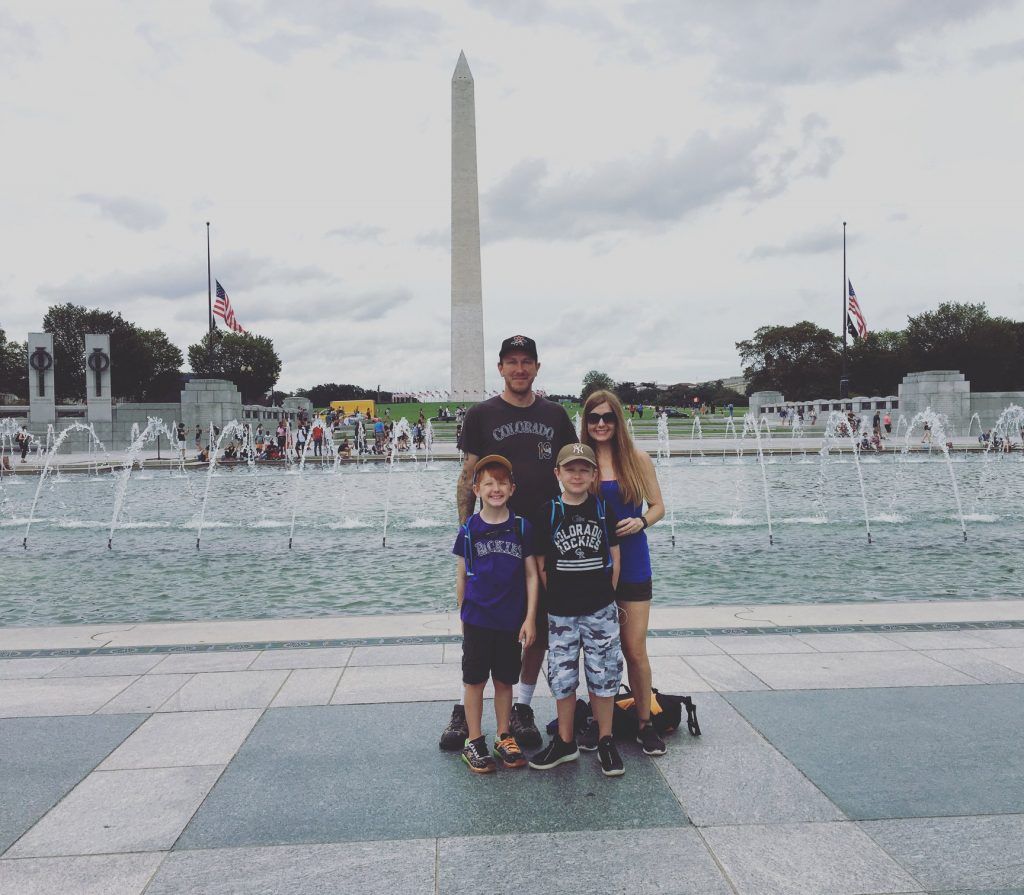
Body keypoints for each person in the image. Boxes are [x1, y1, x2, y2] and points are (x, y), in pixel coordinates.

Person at [439, 334, 577, 753]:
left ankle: (520, 705)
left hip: (544, 535)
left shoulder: (555, 415)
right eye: (511, 362)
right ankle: (468, 706)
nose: (519, 368)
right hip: (490, 538)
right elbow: (467, 478)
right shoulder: (482, 414)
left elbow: (571, 469)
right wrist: (468, 535)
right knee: (478, 625)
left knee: (535, 628)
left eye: (526, 362)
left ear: (537, 367)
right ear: (499, 368)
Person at [581, 389, 668, 756]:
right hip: (591, 567)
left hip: (632, 564)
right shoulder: (580, 461)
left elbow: (659, 506)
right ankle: (600, 726)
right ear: (585, 423)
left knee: (634, 648)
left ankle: (645, 722)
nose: (601, 424)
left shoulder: (637, 459)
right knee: (598, 651)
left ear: (618, 420)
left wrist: (642, 521)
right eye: (594, 418)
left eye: (608, 417)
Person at [529, 443, 624, 777]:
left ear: (594, 474)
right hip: (562, 612)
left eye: (584, 469)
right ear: (558, 473)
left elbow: (614, 556)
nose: (577, 475)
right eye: (570, 469)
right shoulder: (547, 512)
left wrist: (605, 595)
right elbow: (540, 564)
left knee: (604, 674)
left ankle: (606, 739)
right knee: (563, 676)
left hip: (599, 609)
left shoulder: (602, 510)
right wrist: (555, 596)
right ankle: (566, 742)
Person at [452, 455, 539, 772]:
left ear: (512, 488)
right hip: (478, 618)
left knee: (505, 681)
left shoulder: (521, 527)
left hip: (510, 620)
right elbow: (461, 575)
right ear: (476, 489)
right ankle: (473, 740)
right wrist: (463, 613)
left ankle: (504, 735)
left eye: (502, 482)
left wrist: (530, 617)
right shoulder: (469, 530)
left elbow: (532, 575)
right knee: (474, 681)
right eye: (488, 483)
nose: (496, 488)